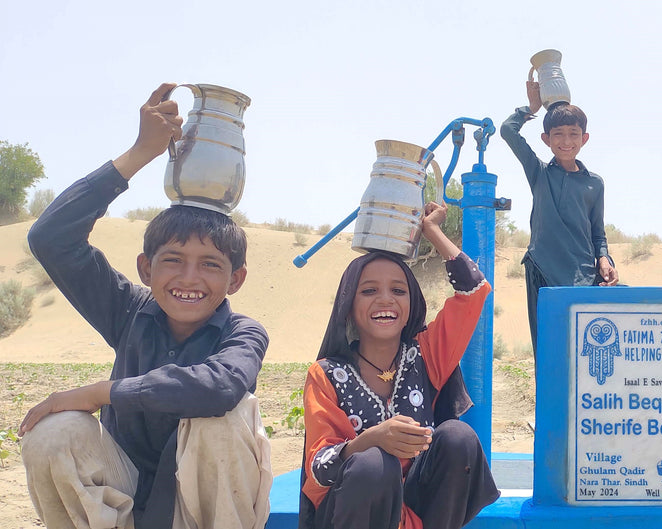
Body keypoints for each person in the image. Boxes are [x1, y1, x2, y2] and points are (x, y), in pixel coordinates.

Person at [19, 83, 272, 529]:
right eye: (172, 261)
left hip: (202, 510)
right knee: (53, 434)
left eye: (210, 265)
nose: (189, 279)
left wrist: (101, 393)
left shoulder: (244, 333)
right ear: (145, 269)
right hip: (127, 497)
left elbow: (219, 387)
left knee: (225, 419)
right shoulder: (128, 310)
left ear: (236, 279)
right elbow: (50, 238)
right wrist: (141, 152)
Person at [299, 201, 499, 529]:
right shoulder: (327, 374)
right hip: (353, 511)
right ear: (348, 306)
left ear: (411, 303)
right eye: (369, 291)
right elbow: (319, 467)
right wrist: (371, 439)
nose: (385, 299)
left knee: (457, 438)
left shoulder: (425, 354)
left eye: (398, 290)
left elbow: (474, 291)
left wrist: (432, 231)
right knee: (373, 465)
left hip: (420, 510)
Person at [500, 82, 618, 358]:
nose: (566, 141)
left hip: (584, 275)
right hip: (543, 271)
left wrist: (605, 260)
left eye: (573, 134)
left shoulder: (594, 184)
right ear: (546, 139)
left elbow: (598, 234)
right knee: (548, 350)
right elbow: (507, 130)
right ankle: (547, 403)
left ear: (584, 138)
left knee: (587, 350)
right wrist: (531, 108)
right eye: (559, 135)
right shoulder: (539, 173)